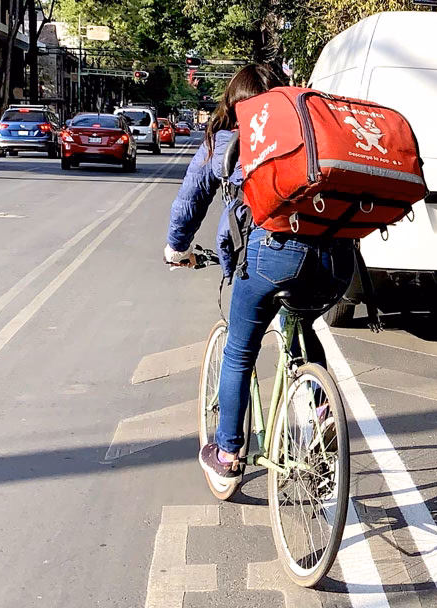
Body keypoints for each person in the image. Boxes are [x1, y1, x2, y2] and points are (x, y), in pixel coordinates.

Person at [164, 64, 355, 485]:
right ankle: (318, 408)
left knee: (239, 350)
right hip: (337, 263)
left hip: (271, 258)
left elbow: (191, 200)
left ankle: (229, 451)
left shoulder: (228, 138)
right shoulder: (311, 134)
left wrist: (177, 248)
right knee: (302, 324)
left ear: (234, 103)